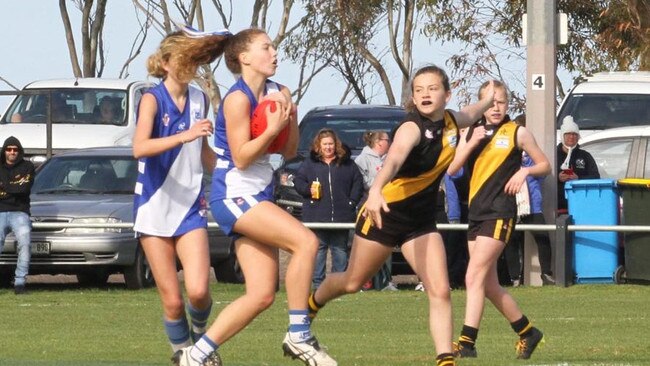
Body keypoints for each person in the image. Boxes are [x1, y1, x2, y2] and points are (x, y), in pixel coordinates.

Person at [307, 65, 496, 366]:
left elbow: (471, 114)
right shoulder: (411, 128)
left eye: (432, 89)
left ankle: (445, 359)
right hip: (384, 213)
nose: (424, 94)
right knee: (353, 281)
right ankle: (313, 303)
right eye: (418, 90)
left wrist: (488, 100)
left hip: (420, 222)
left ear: (447, 94)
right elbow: (393, 160)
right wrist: (375, 190)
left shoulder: (450, 120)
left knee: (440, 289)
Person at [177, 28, 337, 366]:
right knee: (306, 243)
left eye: (274, 47)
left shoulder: (280, 92)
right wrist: (272, 128)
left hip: (257, 195)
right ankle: (299, 334)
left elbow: (291, 151)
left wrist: (290, 118)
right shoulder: (237, 99)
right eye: (266, 47)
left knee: (262, 294)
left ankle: (196, 355)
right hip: (233, 195)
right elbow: (242, 158)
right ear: (244, 58)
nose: (274, 53)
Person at [132, 28, 228, 363]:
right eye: (185, 59)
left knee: (200, 291)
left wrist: (231, 173)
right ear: (168, 63)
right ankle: (182, 353)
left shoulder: (200, 99)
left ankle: (200, 343)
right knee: (172, 301)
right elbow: (140, 148)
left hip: (190, 207)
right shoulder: (151, 99)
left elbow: (205, 154)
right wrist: (184, 135)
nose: (192, 66)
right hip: (154, 207)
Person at [447, 80, 551, 360]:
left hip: (501, 212)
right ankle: (528, 332)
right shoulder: (471, 132)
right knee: (488, 284)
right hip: (477, 213)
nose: (496, 107)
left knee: (473, 275)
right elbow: (453, 167)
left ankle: (467, 343)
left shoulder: (517, 132)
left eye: (501, 102)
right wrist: (471, 142)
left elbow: (545, 164)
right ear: (480, 104)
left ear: (509, 104)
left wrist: (524, 173)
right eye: (490, 102)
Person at [294, 129, 364, 289]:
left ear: (336, 144)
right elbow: (298, 182)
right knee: (319, 250)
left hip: (342, 216)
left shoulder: (347, 163)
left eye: (331, 144)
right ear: (319, 145)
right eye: (325, 144)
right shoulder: (309, 164)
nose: (328, 147)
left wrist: (351, 203)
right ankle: (318, 284)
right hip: (316, 216)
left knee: (340, 250)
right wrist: (308, 190)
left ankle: (338, 284)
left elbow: (358, 183)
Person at [505, 115, 555, 286]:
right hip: (511, 202)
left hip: (532, 204)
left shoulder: (532, 154)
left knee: (542, 237)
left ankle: (546, 274)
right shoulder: (508, 152)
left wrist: (529, 180)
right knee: (511, 240)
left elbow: (543, 171)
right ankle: (515, 278)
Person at [354, 130, 397, 291]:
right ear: (379, 142)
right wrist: (382, 180)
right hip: (370, 208)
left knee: (387, 244)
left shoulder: (391, 159)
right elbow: (363, 182)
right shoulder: (362, 160)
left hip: (388, 206)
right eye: (387, 140)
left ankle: (386, 282)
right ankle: (366, 281)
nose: (390, 142)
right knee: (368, 245)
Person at [0, 136, 35, 295]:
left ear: (19, 151)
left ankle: (20, 283)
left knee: (25, 242)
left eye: (15, 149)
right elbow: (18, 188)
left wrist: (4, 188)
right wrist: (15, 185)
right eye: (9, 149)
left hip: (20, 212)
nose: (12, 152)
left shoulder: (27, 166)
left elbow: (24, 189)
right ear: (4, 151)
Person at [556, 116, 600, 213]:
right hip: (556, 206)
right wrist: (558, 177)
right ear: (562, 135)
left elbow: (595, 177)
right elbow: (545, 176)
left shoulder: (585, 156)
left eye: (574, 134)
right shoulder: (553, 155)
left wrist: (578, 179)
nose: (571, 137)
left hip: (580, 204)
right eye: (568, 134)